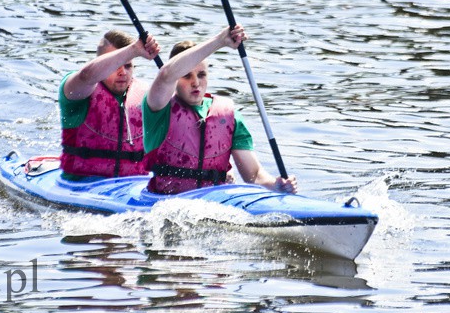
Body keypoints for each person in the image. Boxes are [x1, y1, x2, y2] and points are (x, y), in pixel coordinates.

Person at [142, 25, 298, 196]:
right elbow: (166, 75)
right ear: (176, 79)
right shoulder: (157, 109)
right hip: (165, 199)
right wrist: (220, 41)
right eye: (186, 75)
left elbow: (253, 176)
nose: (196, 82)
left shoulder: (229, 115)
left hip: (216, 202)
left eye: (201, 75)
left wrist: (277, 185)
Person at [59, 30, 161, 180]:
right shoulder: (78, 89)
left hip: (132, 187)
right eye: (116, 65)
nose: (123, 72)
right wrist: (134, 50)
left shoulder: (147, 96)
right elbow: (86, 75)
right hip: (81, 185)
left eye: (128, 66)